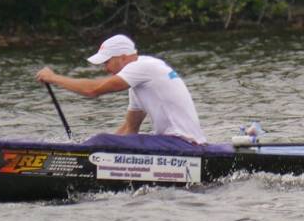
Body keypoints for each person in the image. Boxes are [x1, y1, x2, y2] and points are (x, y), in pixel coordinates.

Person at [36, 34, 207, 144]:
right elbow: (130, 129)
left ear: (124, 57)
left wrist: (53, 78)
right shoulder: (138, 82)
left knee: (101, 140)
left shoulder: (142, 66)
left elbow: (92, 90)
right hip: (175, 142)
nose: (105, 68)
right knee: (103, 140)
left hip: (181, 143)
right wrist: (89, 149)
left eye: (107, 62)